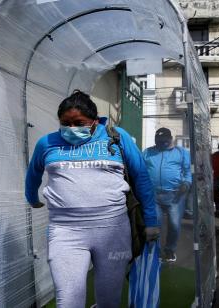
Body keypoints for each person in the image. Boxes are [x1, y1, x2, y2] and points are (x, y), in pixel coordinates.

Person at [24, 90, 159, 308]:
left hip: (113, 230)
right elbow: (33, 174)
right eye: (65, 123)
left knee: (109, 300)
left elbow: (141, 176)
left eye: (79, 123)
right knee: (68, 301)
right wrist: (31, 197)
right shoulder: (47, 143)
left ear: (95, 121)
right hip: (65, 232)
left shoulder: (116, 137)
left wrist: (151, 221)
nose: (71, 129)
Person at [143, 127, 192, 263]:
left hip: (175, 195)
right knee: (155, 224)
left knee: (174, 224)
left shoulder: (181, 153)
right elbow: (140, 169)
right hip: (154, 195)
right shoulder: (148, 152)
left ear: (170, 139)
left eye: (164, 141)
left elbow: (188, 172)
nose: (161, 144)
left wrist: (187, 184)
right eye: (158, 142)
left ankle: (170, 250)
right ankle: (155, 251)